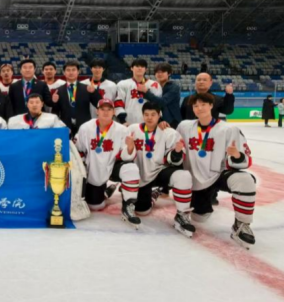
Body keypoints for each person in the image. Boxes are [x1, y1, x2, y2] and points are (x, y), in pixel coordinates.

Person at [176, 93, 255, 249]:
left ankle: (242, 224)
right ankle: (187, 211)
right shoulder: (184, 126)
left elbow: (245, 159)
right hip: (195, 180)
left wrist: (237, 155)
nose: (199, 108)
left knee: (245, 180)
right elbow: (173, 145)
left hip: (219, 174)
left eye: (203, 104)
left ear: (211, 106)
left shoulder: (229, 129)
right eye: (196, 105)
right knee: (200, 217)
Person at [128, 102, 195, 237]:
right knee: (142, 211)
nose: (149, 117)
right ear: (142, 115)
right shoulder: (133, 129)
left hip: (159, 172)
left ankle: (182, 214)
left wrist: (176, 152)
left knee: (183, 176)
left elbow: (175, 161)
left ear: (159, 115)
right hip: (140, 174)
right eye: (146, 114)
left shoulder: (169, 133)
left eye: (153, 114)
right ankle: (153, 194)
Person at [74, 99, 141, 228]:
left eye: (109, 109)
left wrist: (130, 147)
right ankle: (106, 191)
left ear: (114, 112)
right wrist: (83, 172)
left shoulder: (122, 130)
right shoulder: (86, 128)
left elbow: (126, 156)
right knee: (95, 206)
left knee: (131, 168)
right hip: (92, 169)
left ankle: (128, 206)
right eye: (102, 109)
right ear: (97, 111)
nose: (106, 112)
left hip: (112, 166)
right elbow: (78, 150)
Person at [52, 61, 101, 135]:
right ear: (64, 72)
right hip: (65, 126)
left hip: (84, 125)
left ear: (78, 72)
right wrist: (54, 102)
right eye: (68, 70)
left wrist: (94, 92)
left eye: (73, 70)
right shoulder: (58, 91)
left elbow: (99, 104)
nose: (71, 72)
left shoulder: (87, 88)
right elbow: (55, 112)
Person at [115, 58, 162, 125]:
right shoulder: (123, 84)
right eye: (137, 66)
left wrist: (159, 120)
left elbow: (158, 105)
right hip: (128, 122)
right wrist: (123, 121)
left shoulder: (154, 85)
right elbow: (118, 104)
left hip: (149, 123)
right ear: (131, 68)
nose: (139, 68)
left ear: (146, 69)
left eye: (142, 66)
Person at [143, 63, 182, 129]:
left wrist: (146, 92)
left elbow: (162, 102)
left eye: (163, 72)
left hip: (172, 121)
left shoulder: (174, 87)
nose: (160, 74)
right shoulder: (153, 86)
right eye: (157, 72)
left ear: (169, 73)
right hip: (157, 120)